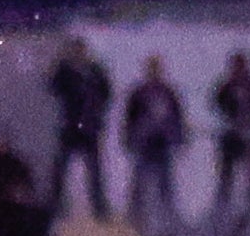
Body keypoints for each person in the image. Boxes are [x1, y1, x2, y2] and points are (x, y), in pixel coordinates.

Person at [45, 36, 116, 215]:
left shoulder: (95, 71)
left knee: (94, 170)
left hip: (89, 126)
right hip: (70, 125)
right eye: (76, 50)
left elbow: (107, 92)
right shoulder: (66, 71)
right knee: (61, 167)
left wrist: (97, 112)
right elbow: (53, 87)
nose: (79, 53)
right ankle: (54, 204)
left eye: (81, 50)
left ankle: (99, 206)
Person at [206, 51, 250, 225]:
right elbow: (216, 104)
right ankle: (222, 208)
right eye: (236, 66)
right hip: (231, 137)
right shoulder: (225, 86)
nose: (239, 70)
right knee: (227, 174)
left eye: (242, 65)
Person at [122, 57, 191, 225]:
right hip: (144, 142)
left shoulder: (168, 92)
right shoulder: (138, 93)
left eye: (157, 68)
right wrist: (129, 137)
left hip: (162, 142)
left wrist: (180, 138)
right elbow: (130, 117)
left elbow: (177, 117)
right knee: (139, 181)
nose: (154, 72)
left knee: (165, 181)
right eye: (151, 69)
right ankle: (134, 214)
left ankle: (169, 215)